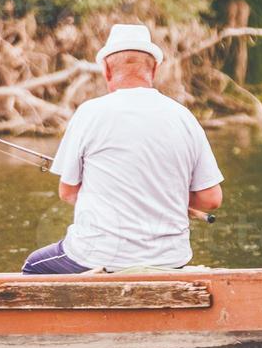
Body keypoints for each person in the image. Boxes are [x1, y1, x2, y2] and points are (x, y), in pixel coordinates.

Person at [22, 24, 224, 274]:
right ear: (155, 69)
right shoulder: (184, 117)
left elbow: (67, 192)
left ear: (106, 69)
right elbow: (211, 199)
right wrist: (162, 196)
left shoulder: (89, 113)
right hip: (170, 259)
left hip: (97, 257)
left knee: (34, 266)